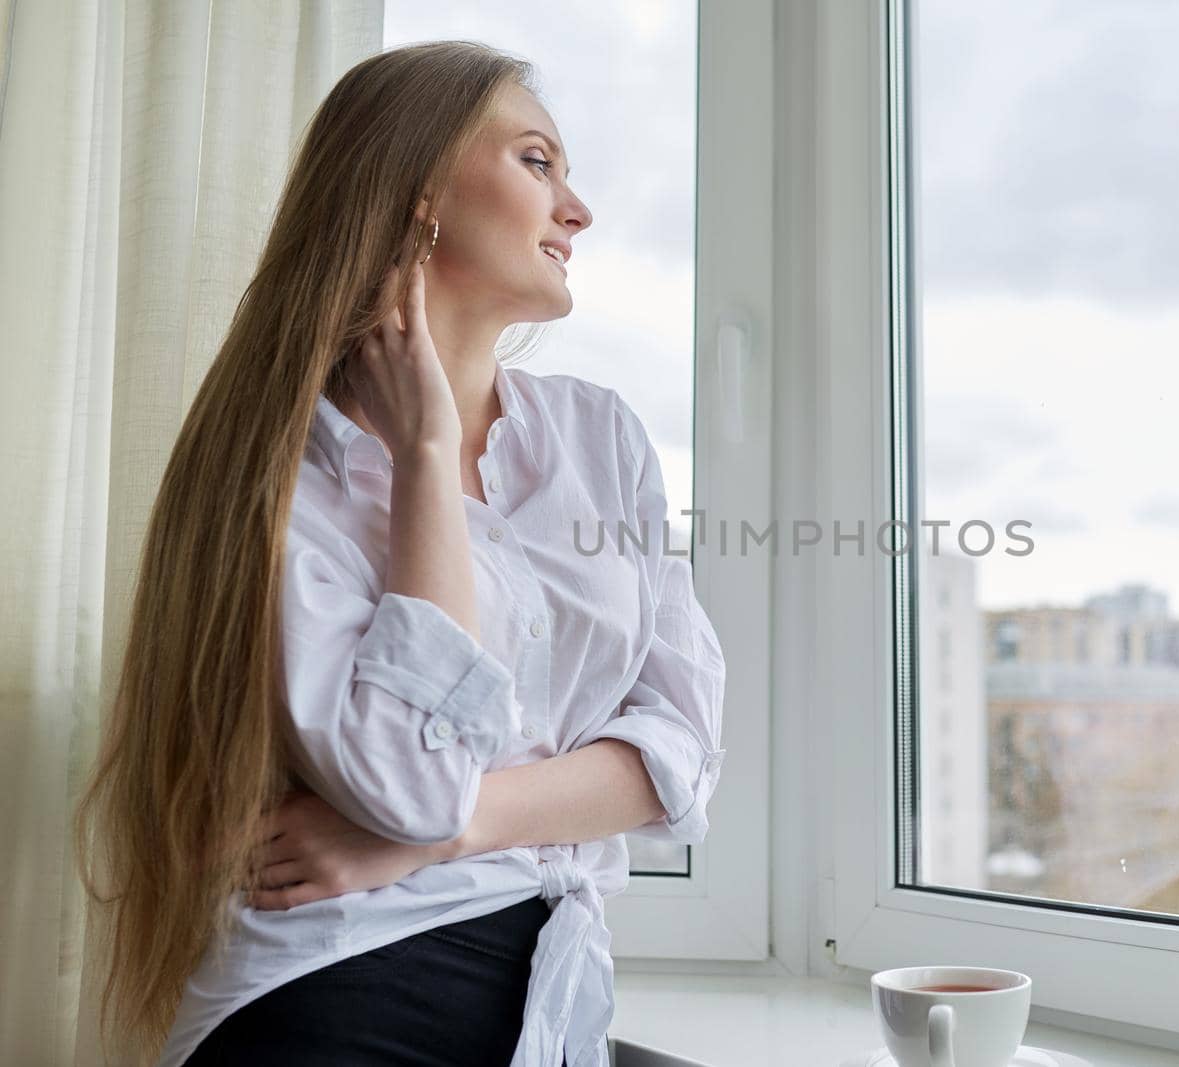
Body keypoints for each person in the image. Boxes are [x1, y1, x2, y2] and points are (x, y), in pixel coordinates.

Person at [72, 40, 727, 1067]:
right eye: (537, 161)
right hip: (332, 981)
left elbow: (680, 754)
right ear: (419, 185)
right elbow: (410, 780)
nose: (578, 209)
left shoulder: (601, 440)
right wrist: (424, 454)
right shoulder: (281, 472)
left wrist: (438, 833)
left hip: (550, 991)